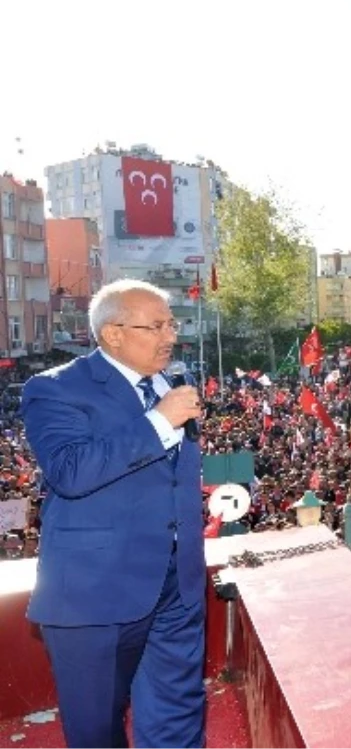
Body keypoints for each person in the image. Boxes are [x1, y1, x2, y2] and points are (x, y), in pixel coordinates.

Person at [21, 279, 207, 748]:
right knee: (97, 728)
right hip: (96, 593)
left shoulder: (168, 385)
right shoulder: (55, 389)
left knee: (178, 714)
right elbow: (70, 471)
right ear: (113, 334)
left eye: (172, 323)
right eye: (156, 325)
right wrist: (160, 421)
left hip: (176, 587)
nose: (170, 336)